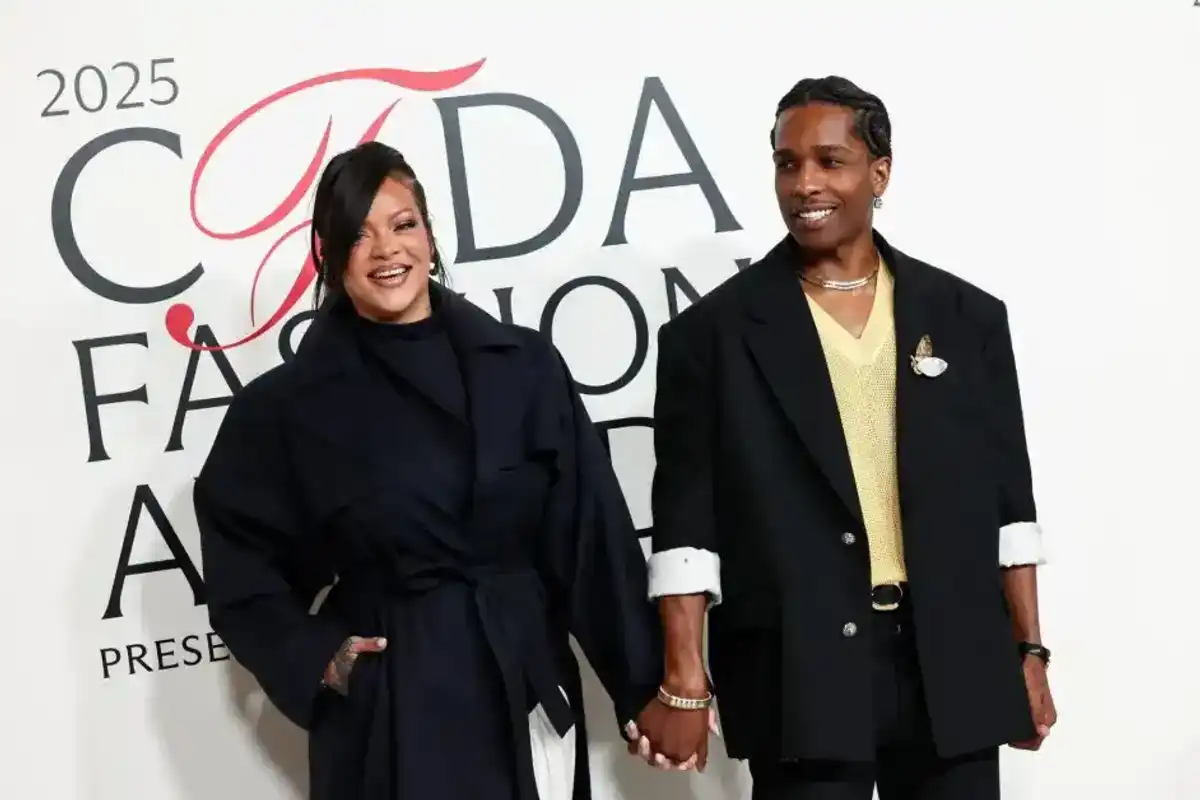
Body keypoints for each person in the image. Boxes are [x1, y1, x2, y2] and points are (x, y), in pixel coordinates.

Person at [193, 141, 662, 800]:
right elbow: (242, 565)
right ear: (328, 257)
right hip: (397, 705)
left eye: (403, 224)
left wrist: (647, 689)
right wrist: (318, 659)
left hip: (523, 675)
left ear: (431, 237)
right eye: (359, 235)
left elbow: (591, 540)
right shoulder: (287, 407)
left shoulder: (524, 366)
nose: (387, 250)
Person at [631, 76, 1058, 798]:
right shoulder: (713, 337)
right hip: (799, 672)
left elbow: (1009, 507)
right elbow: (685, 531)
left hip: (950, 663)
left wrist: (1030, 651)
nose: (805, 184)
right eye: (787, 163)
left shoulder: (966, 318)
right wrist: (684, 680)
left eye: (830, 161)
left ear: (879, 172)